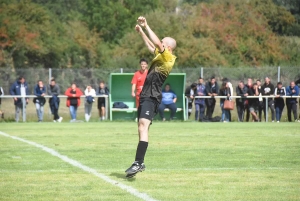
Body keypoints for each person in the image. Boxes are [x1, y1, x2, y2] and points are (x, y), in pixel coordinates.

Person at [125, 16, 177, 178]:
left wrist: (147, 25)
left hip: (152, 96)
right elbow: (150, 46)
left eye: (162, 42)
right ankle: (139, 162)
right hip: (145, 95)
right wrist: (141, 32)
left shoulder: (168, 57)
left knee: (142, 125)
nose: (160, 43)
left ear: (167, 46)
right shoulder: (160, 56)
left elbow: (155, 44)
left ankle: (138, 162)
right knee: (142, 128)